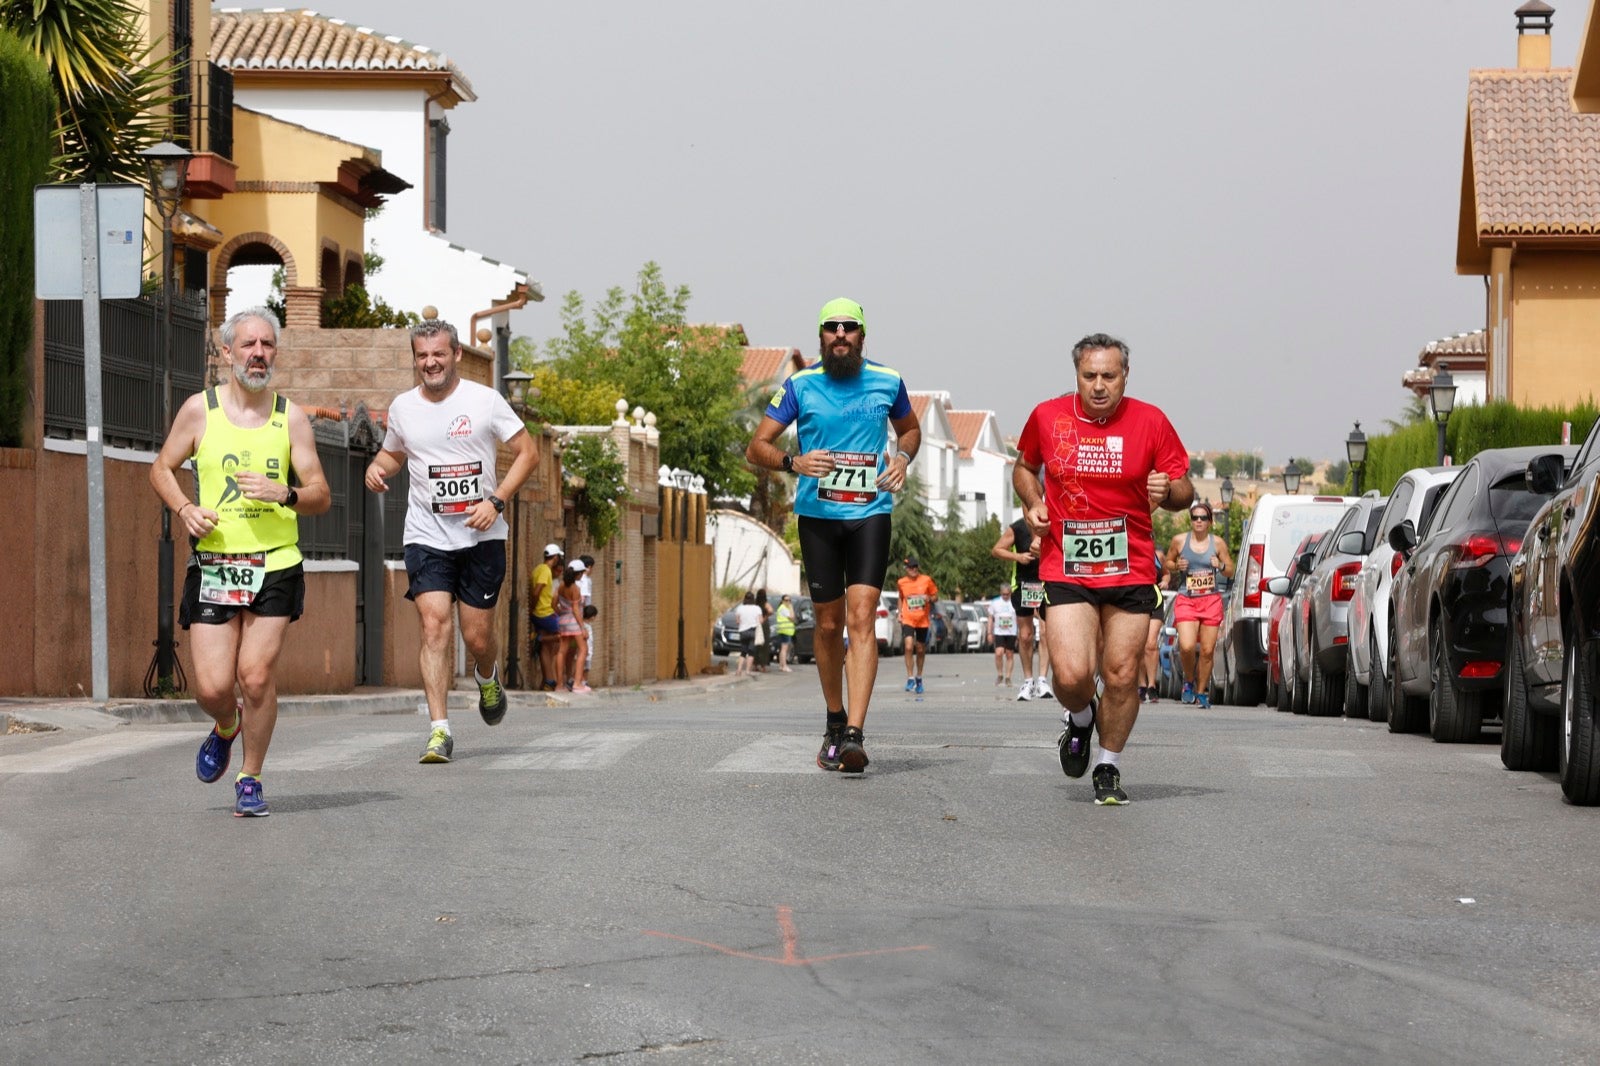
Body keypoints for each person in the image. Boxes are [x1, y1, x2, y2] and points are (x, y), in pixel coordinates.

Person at [148, 307, 331, 817]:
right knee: (212, 687)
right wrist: (184, 508)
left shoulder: (290, 418)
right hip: (215, 563)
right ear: (227, 352)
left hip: (275, 564)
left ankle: (250, 777)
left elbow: (320, 494)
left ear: (275, 352)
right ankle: (226, 725)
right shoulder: (199, 410)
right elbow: (161, 468)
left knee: (254, 676)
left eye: (267, 344)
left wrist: (284, 492)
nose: (258, 353)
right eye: (248, 344)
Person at [1014, 332, 1194, 804]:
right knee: (1072, 674)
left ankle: (1108, 765)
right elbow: (1023, 468)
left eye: (1108, 376)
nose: (1098, 385)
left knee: (1121, 673)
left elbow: (1184, 489)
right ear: (1076, 374)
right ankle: (1080, 718)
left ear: (1125, 376)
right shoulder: (1047, 416)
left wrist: (1167, 492)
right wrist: (1034, 502)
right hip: (1067, 565)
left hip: (1130, 568)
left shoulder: (1151, 421)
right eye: (1089, 375)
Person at [745, 296, 920, 773]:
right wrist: (794, 462)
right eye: (831, 327)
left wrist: (903, 459)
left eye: (849, 326)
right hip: (818, 518)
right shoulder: (800, 385)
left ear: (862, 335)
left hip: (870, 513)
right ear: (821, 335)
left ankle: (855, 736)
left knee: (862, 618)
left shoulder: (888, 380)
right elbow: (757, 446)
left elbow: (910, 430)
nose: (840, 334)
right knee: (827, 624)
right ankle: (834, 719)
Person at [364, 319, 538, 764]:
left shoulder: (485, 400)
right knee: (434, 625)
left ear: (456, 354)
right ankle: (439, 730)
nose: (430, 363)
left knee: (477, 637)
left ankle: (487, 677)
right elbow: (394, 453)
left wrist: (496, 501)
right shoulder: (403, 407)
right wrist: (377, 467)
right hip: (426, 536)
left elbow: (528, 453)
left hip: (481, 536)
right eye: (422, 355)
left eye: (438, 354)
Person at [1164, 501, 1233, 709]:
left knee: (1207, 650)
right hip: (1187, 599)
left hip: (1210, 600)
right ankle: (1189, 680)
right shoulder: (1179, 541)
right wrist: (1176, 565)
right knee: (1186, 646)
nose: (1199, 521)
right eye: (1195, 518)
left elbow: (1230, 570)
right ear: (1191, 521)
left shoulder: (1217, 543)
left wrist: (1220, 565)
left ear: (1210, 522)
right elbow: (1167, 562)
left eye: (1203, 518)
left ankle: (1201, 692)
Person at [992, 515, 1047, 701]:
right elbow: (997, 550)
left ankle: (1043, 680)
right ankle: (1028, 681)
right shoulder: (1018, 527)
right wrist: (1018, 557)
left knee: (1045, 633)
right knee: (1025, 636)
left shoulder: (1052, 524)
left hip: (1047, 583)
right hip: (1023, 585)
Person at [896, 556, 939, 693]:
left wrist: (929, 598)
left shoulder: (926, 580)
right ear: (906, 569)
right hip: (908, 619)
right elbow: (901, 597)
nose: (913, 569)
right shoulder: (901, 582)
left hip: (922, 620)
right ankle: (910, 677)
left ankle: (919, 677)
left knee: (920, 649)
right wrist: (899, 612)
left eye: (915, 567)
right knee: (909, 646)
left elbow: (935, 596)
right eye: (910, 567)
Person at [530, 544, 563, 690]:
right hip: (544, 612)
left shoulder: (538, 568)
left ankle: (547, 680)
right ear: (555, 557)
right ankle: (539, 638)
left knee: (546, 647)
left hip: (541, 612)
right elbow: (537, 592)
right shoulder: (545, 571)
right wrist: (533, 608)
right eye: (558, 557)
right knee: (562, 636)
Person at [557, 560, 591, 693]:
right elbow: (576, 609)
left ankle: (559, 685)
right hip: (574, 623)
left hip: (563, 621)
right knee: (583, 650)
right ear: (578, 574)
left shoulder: (561, 586)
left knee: (562, 651)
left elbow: (554, 603)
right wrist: (583, 628)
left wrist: (561, 613)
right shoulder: (575, 589)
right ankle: (577, 683)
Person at [1139, 548, 1166, 703]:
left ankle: (1152, 685)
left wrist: (1166, 581)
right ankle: (1141, 685)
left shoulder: (1158, 555)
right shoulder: (1127, 549)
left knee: (1150, 643)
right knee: (1138, 645)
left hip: (1154, 600)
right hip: (1134, 600)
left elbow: (1166, 573)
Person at [988, 583, 1019, 687]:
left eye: (1007, 594)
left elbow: (1019, 618)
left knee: (1009, 654)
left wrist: (1019, 632)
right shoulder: (995, 603)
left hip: (1011, 632)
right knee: (999, 653)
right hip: (999, 631)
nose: (1005, 596)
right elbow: (990, 618)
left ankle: (1008, 677)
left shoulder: (1014, 602)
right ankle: (1000, 674)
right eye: (1003, 594)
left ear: (1010, 593)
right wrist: (989, 632)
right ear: (1000, 593)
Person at [734, 590, 764, 677]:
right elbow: (761, 620)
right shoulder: (757, 608)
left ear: (745, 599)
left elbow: (737, 621)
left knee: (743, 652)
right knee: (751, 652)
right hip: (752, 631)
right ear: (753, 599)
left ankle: (739, 670)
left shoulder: (740, 608)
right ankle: (747, 671)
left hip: (743, 632)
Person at [773, 593, 797, 672]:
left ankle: (781, 665)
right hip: (785, 631)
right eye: (786, 600)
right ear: (782, 601)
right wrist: (791, 608)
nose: (788, 602)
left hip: (784, 630)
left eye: (789, 600)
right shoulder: (783, 608)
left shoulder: (782, 608)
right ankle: (784, 666)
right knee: (784, 649)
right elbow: (792, 617)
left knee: (782, 649)